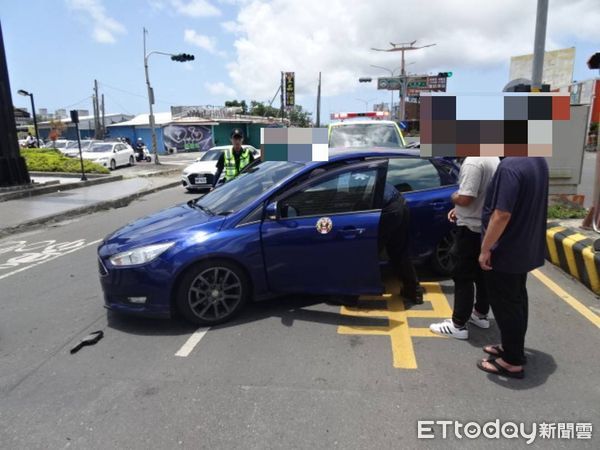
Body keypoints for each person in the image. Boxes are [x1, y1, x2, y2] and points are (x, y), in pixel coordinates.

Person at [476, 157, 549, 379]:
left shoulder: (510, 167)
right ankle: (512, 348)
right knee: (517, 299)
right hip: (522, 246)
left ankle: (511, 361)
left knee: (506, 305)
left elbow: (501, 214)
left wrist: (485, 249)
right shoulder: (536, 160)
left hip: (505, 250)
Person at [429, 157, 499, 339]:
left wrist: (454, 197)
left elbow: (466, 198)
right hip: (483, 225)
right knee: (481, 274)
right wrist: (458, 209)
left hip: (470, 228)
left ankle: (458, 325)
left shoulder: (473, 162)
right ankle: (480, 314)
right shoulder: (492, 158)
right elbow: (483, 195)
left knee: (462, 276)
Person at [379, 182, 423, 304]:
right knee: (399, 252)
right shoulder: (364, 169)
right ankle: (414, 291)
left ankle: (352, 294)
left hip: (388, 209)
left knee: (367, 251)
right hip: (400, 203)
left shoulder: (351, 174)